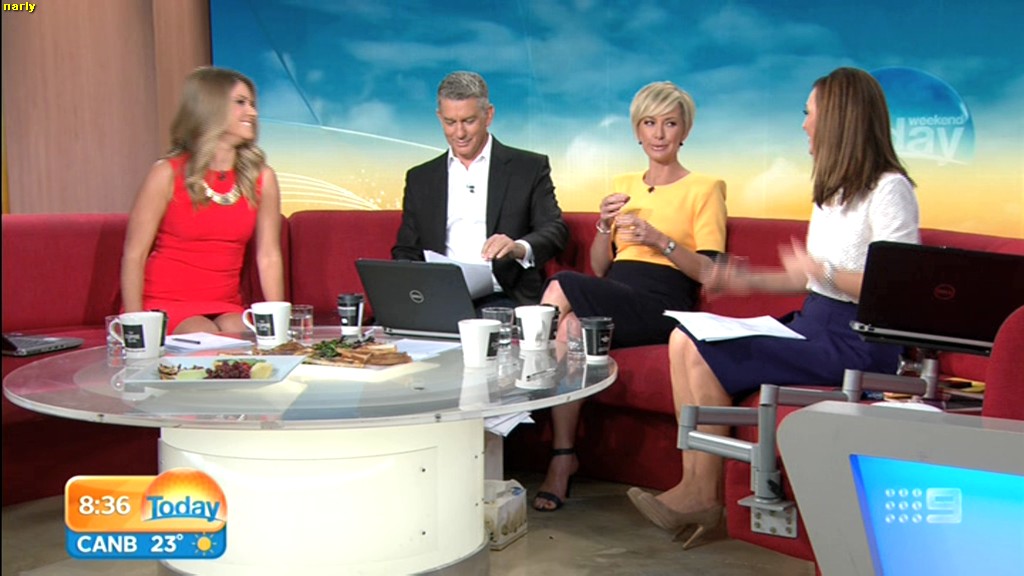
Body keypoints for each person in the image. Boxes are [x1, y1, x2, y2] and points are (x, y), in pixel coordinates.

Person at [627, 67, 921, 549]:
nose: (804, 124)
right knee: (684, 338)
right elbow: (811, 276)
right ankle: (695, 486)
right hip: (814, 322)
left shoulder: (890, 189)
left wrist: (823, 271)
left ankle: (703, 494)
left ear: (838, 119)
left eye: (809, 113)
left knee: (700, 351)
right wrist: (746, 281)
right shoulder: (832, 191)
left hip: (859, 342)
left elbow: (898, 288)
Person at [532, 81, 727, 512]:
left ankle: (523, 367)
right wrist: (604, 227)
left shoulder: (706, 187)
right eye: (649, 123)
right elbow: (601, 267)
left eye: (670, 124)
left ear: (685, 131)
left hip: (662, 302)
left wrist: (660, 240)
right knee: (570, 326)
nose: (659, 134)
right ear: (637, 131)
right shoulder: (624, 185)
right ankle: (563, 457)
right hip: (617, 292)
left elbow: (711, 274)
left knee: (563, 283)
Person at [121, 67, 285, 335]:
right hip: (165, 300)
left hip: (225, 304)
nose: (252, 113)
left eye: (252, 104)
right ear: (211, 107)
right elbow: (134, 254)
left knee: (243, 334)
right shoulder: (167, 173)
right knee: (204, 333)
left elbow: (268, 256)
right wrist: (135, 325)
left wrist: (279, 324)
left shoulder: (262, 178)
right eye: (241, 102)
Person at [392, 71, 568, 308]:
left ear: (488, 115)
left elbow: (554, 230)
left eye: (468, 121)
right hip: (436, 297)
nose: (459, 133)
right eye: (450, 122)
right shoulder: (420, 178)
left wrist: (518, 248)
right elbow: (406, 249)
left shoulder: (528, 168)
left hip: (503, 296)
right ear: (439, 117)